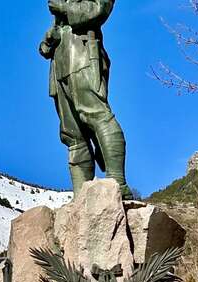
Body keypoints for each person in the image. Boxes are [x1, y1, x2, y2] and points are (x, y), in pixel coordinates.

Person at [39, 0, 133, 200]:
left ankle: (117, 182)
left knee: (97, 115)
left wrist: (64, 8)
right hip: (61, 63)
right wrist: (49, 41)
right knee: (72, 135)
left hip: (84, 56)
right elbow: (50, 41)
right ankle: (81, 196)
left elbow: (99, 9)